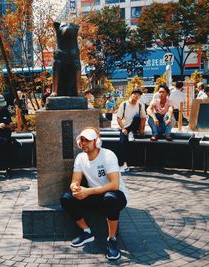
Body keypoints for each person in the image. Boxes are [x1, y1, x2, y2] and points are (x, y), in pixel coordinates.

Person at [60, 127, 129, 260]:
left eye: (87, 140)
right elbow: (75, 180)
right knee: (66, 198)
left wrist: (88, 191)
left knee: (110, 198)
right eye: (82, 140)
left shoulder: (108, 155)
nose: (84, 143)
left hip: (115, 195)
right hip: (95, 196)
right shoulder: (80, 158)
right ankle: (87, 232)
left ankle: (112, 239)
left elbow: (114, 185)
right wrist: (75, 187)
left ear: (96, 142)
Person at [116, 88, 147, 170]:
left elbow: (143, 118)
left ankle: (132, 133)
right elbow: (118, 118)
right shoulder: (124, 104)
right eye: (135, 94)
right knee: (122, 143)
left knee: (137, 117)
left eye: (139, 95)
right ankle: (124, 164)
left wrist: (141, 129)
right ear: (131, 94)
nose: (137, 96)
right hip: (125, 127)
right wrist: (123, 128)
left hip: (135, 126)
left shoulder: (140, 105)